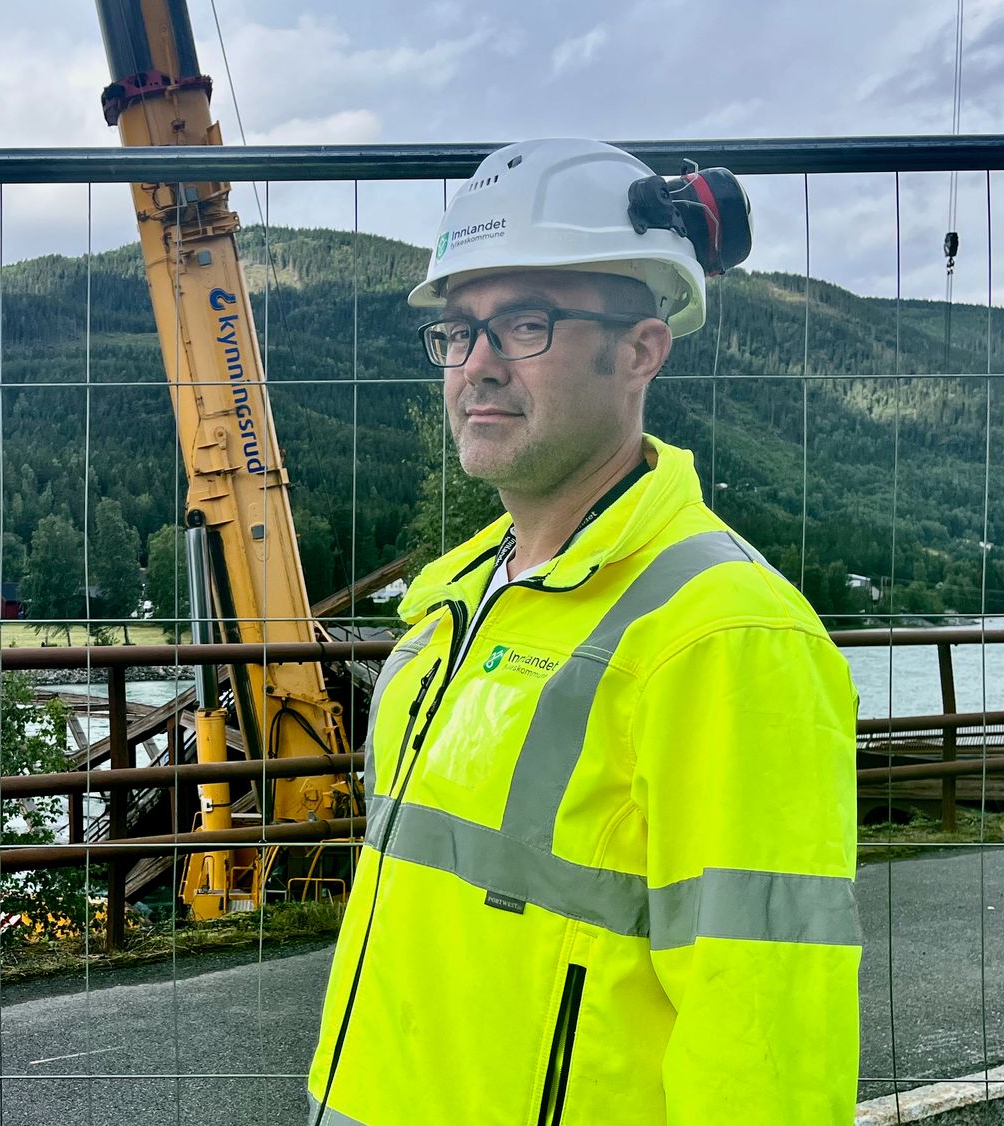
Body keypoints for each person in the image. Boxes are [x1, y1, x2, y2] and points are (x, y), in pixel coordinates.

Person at [305, 139, 861, 1125]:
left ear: (641, 349)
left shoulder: (723, 632)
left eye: (523, 324)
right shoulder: (460, 599)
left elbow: (762, 1024)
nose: (474, 364)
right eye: (456, 330)